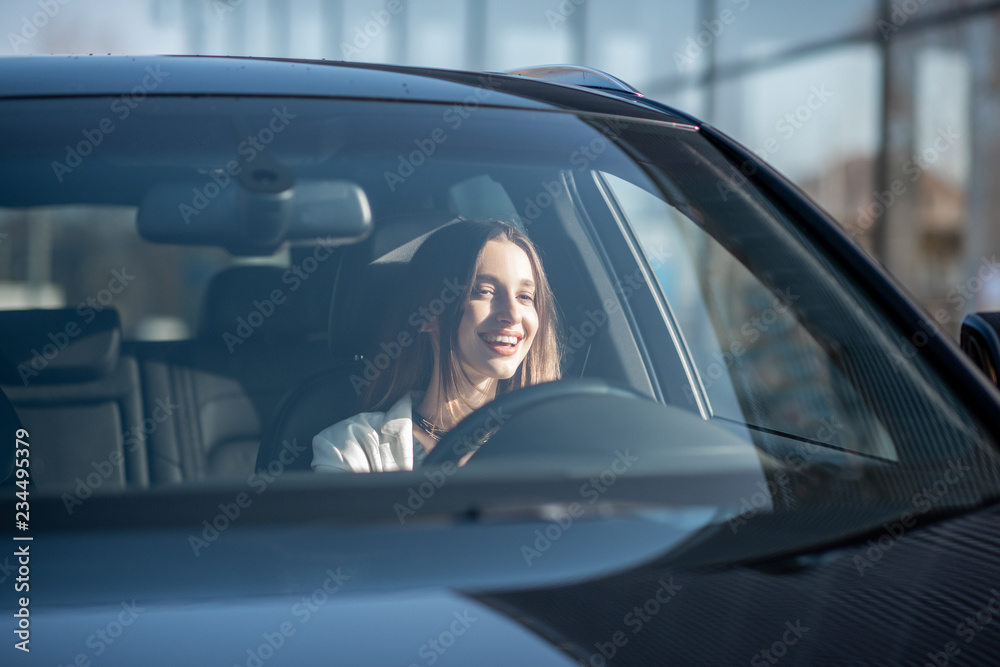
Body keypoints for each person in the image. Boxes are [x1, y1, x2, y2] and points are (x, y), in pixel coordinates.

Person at [312, 219, 562, 473]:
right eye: (484, 291)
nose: (512, 314)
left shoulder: (555, 443)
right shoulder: (355, 448)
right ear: (427, 314)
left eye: (525, 297)